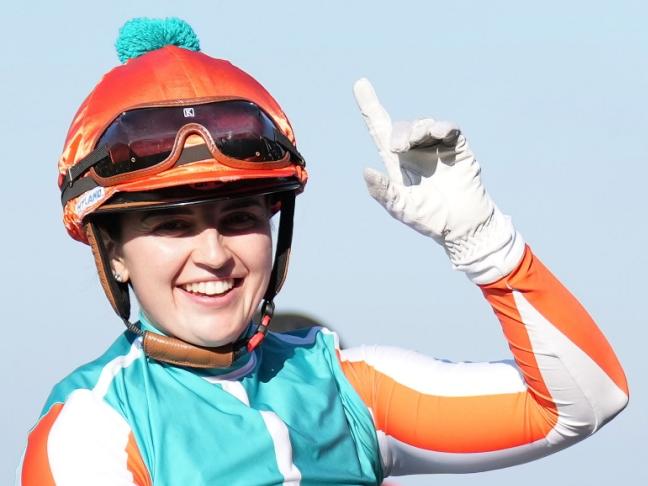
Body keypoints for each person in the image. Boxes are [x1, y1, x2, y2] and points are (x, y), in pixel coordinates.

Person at [18, 17, 628, 485]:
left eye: (239, 219)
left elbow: (588, 400)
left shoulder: (349, 388)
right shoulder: (89, 429)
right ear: (114, 252)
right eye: (174, 227)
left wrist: (484, 240)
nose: (213, 255)